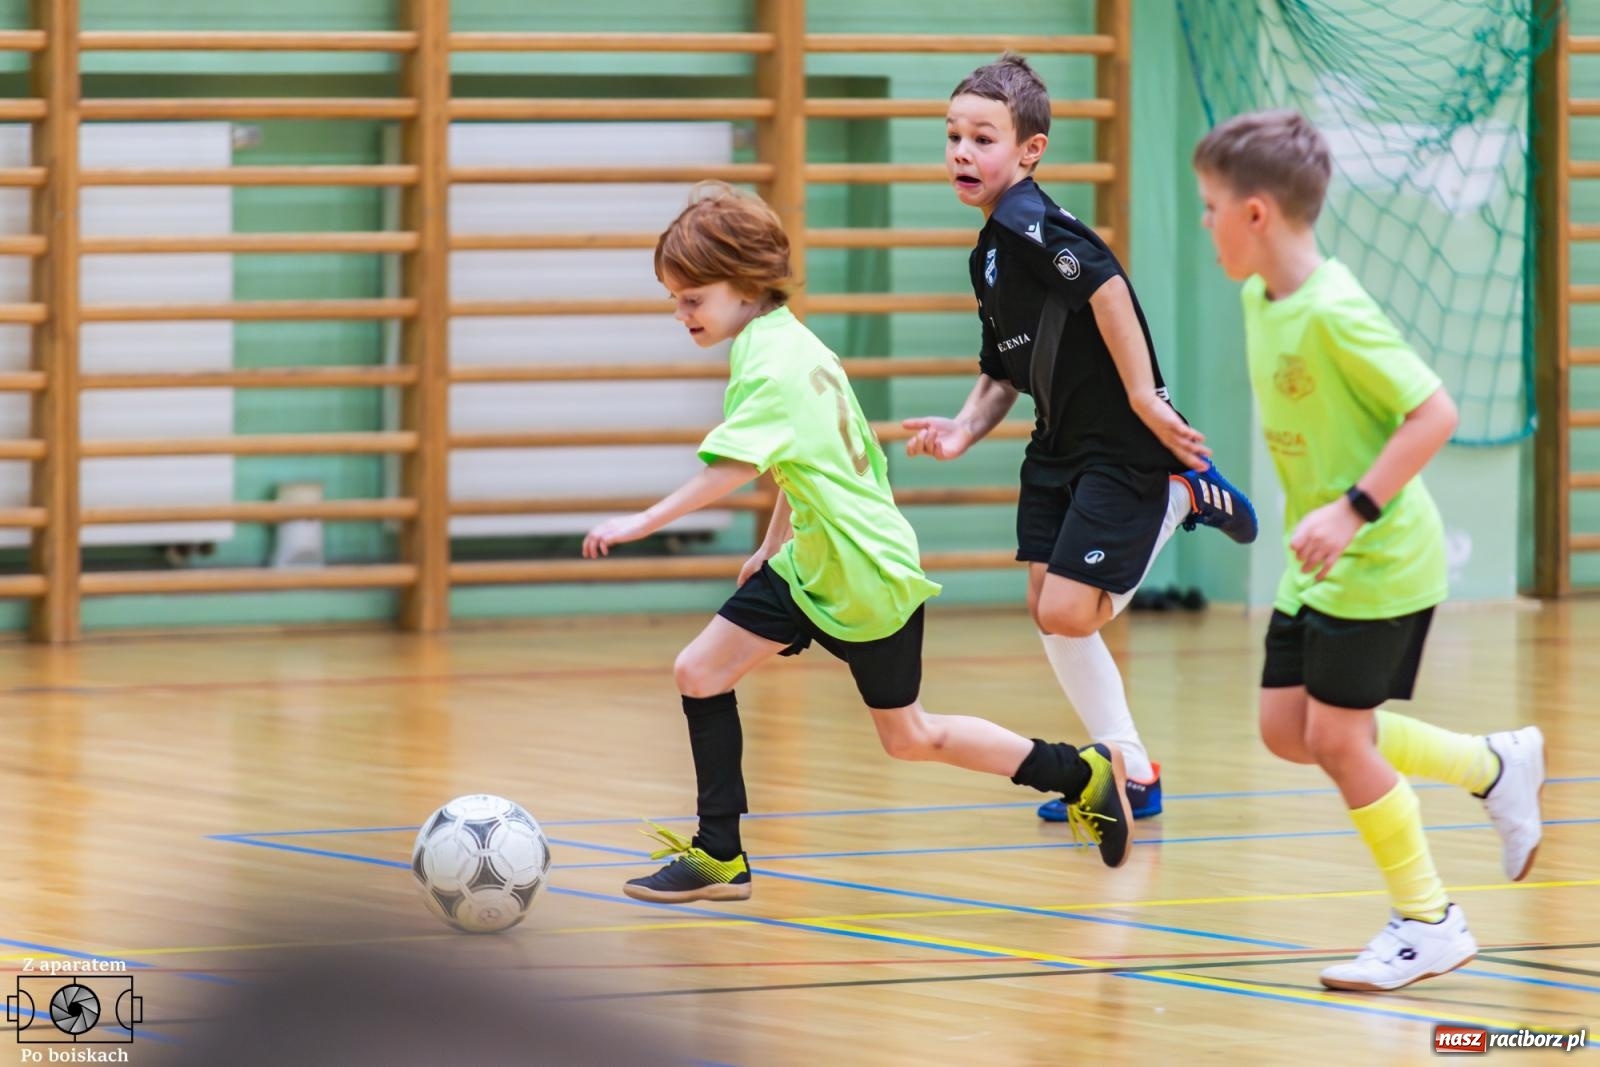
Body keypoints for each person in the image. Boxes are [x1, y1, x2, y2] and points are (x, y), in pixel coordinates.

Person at [582, 181, 1134, 903]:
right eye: (674, 300)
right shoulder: (784, 342)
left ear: (746, 285)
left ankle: (1077, 771)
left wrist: (638, 523)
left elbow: (738, 467)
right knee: (699, 671)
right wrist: (773, 543)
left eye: (692, 298)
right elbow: (800, 458)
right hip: (814, 559)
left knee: (910, 735)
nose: (681, 314)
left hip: (867, 574)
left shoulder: (772, 364)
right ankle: (721, 852)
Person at [1192, 108, 1544, 991]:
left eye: (1210, 206)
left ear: (1257, 214)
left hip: (1382, 559)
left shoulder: (1338, 311)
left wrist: (1350, 509)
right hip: (1317, 563)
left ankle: (1430, 920)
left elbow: (1435, 413)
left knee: (1341, 738)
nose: (1205, 222)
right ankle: (1492, 764)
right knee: (1288, 730)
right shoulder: (1255, 296)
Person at [904, 53, 1259, 824]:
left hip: (1120, 445)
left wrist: (1143, 394)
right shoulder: (991, 248)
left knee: (1068, 611)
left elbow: (1106, 287)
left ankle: (1180, 492)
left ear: (1029, 151)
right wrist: (964, 428)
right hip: (1056, 444)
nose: (963, 151)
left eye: (984, 138)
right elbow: (1001, 368)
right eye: (954, 136)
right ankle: (1129, 774)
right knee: (1047, 607)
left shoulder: (1034, 223)